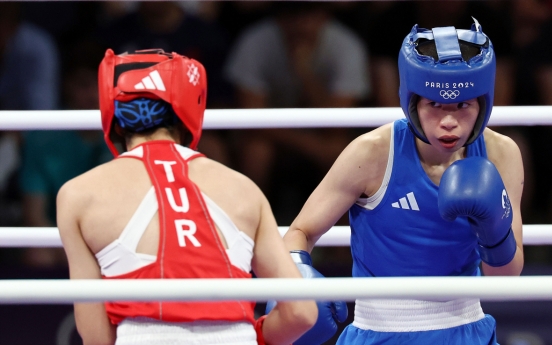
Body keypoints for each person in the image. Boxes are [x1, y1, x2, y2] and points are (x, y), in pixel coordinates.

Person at [282, 19, 524, 344]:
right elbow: (300, 231)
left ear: (483, 102)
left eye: (463, 105)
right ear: (413, 101)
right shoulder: (372, 154)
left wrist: (492, 229)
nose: (449, 121)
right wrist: (299, 277)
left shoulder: (500, 154)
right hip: (379, 331)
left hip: (468, 329)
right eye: (435, 105)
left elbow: (504, 278)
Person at [57, 49, 317, 345]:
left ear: (114, 115)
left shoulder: (78, 195)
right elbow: (302, 313)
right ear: (187, 109)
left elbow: (96, 338)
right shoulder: (243, 188)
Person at [224, 1, 370, 223]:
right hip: (271, 136)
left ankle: (340, 248)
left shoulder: (346, 45)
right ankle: (251, 230)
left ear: (324, 15)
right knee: (256, 150)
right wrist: (311, 146)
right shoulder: (256, 41)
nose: (301, 24)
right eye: (292, 14)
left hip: (322, 135)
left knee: (343, 152)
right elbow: (252, 117)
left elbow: (338, 121)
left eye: (309, 13)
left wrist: (304, 73)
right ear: (279, 17)